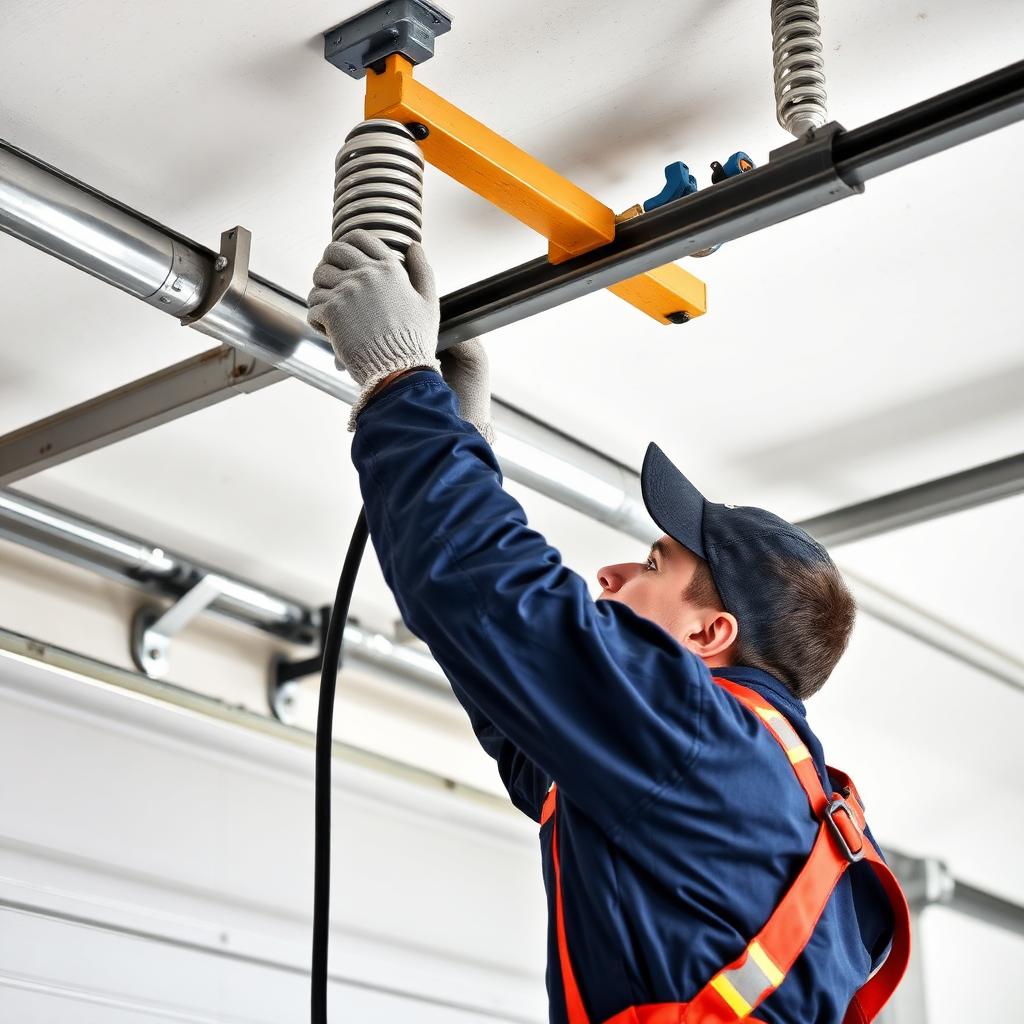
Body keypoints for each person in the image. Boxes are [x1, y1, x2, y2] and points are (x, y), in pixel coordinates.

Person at [308, 231, 908, 1024]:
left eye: (654, 567)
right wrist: (457, 435)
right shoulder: (739, 776)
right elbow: (508, 670)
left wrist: (400, 377)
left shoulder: (706, 744)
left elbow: (491, 601)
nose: (613, 576)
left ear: (709, 635)